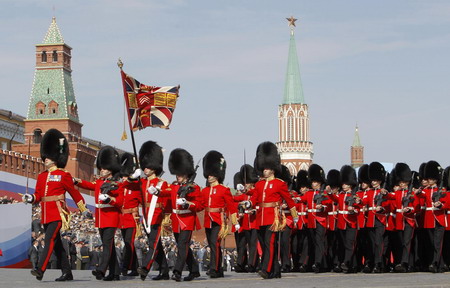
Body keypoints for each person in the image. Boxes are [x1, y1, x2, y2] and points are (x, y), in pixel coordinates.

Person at [22, 128, 90, 281]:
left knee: (49, 240)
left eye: (48, 156)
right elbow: (38, 195)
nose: (45, 158)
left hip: (58, 213)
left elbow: (74, 193)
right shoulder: (41, 176)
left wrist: (83, 208)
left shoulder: (63, 175)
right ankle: (67, 272)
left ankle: (41, 269)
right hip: (45, 214)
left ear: (56, 156)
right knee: (57, 245)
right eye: (45, 156)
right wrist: (30, 198)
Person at [246, 142, 299, 279]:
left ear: (273, 169)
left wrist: (294, 216)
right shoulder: (259, 184)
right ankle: (276, 270)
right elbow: (255, 198)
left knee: (269, 244)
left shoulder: (279, 184)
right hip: (260, 217)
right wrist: (248, 203)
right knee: (265, 245)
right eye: (263, 168)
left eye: (267, 168)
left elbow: (289, 200)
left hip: (273, 217)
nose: (264, 170)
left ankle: (266, 269)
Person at [75, 146, 124, 281]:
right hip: (101, 218)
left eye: (104, 168)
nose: (101, 170)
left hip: (111, 218)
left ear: (110, 170)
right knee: (110, 246)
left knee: (107, 245)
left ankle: (101, 270)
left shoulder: (117, 184)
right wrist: (77, 182)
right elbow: (88, 185)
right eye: (101, 168)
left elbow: (120, 202)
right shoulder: (99, 182)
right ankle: (115, 273)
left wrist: (110, 199)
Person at [131, 141, 171, 281]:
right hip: (146, 217)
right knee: (156, 245)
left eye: (148, 166)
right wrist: (132, 177)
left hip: (157, 216)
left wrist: (158, 192)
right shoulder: (141, 182)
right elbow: (125, 186)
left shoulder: (161, 183)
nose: (145, 169)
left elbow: (168, 195)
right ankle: (164, 271)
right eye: (144, 166)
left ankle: (145, 267)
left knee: (153, 244)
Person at [200, 150, 238, 278]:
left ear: (217, 174)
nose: (209, 176)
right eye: (208, 174)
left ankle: (214, 268)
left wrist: (234, 221)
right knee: (211, 244)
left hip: (218, 220)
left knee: (215, 244)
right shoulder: (205, 191)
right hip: (208, 220)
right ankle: (219, 269)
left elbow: (231, 206)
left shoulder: (224, 190)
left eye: (211, 174)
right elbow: (200, 204)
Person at [167, 148, 203, 282]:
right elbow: (166, 195)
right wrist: (157, 193)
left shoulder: (194, 187)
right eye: (177, 173)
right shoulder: (174, 186)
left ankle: (177, 271)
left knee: (182, 245)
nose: (178, 175)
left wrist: (187, 203)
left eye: (181, 173)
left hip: (187, 220)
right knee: (184, 246)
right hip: (176, 221)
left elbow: (199, 205)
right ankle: (194, 270)